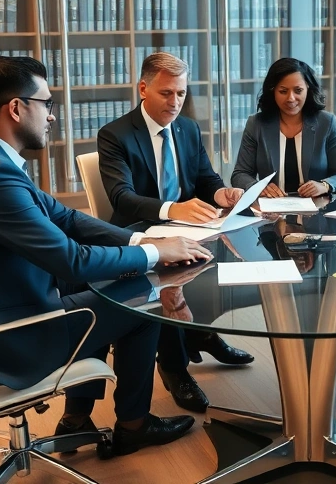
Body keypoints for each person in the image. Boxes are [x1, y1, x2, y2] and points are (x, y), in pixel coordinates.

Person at [0, 56, 212, 456]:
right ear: (17, 108)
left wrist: (140, 245)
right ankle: (133, 425)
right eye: (47, 104)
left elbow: (66, 216)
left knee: (111, 282)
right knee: (142, 302)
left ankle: (76, 418)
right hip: (4, 339)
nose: (52, 117)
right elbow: (71, 259)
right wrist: (154, 254)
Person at [97, 52, 254, 414]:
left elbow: (206, 178)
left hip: (188, 227)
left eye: (181, 94)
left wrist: (221, 193)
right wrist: (172, 209)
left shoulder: (187, 128)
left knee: (224, 260)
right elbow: (122, 197)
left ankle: (202, 333)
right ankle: (173, 366)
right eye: (167, 93)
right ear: (143, 89)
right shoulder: (115, 134)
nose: (176, 102)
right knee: (167, 279)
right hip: (142, 232)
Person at [231, 57, 336, 197]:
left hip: (316, 210)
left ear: (308, 88)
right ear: (273, 91)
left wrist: (324, 185)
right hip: (272, 211)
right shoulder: (257, 124)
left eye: (298, 90)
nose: (291, 98)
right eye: (283, 91)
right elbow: (240, 174)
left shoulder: (326, 122)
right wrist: (258, 187)